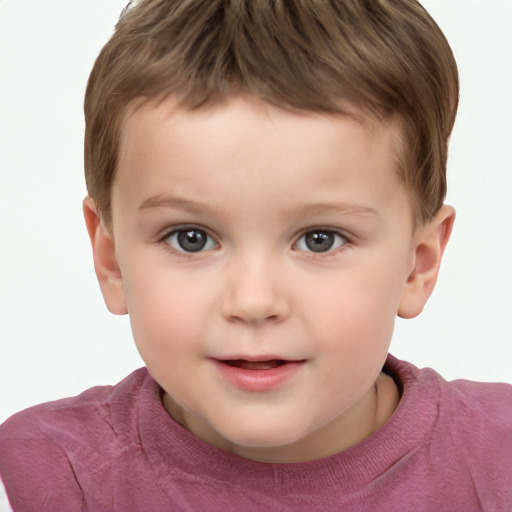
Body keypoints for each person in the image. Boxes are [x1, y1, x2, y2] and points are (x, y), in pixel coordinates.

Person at [0, 0, 510, 510]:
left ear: (418, 264)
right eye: (191, 237)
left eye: (320, 239)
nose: (253, 300)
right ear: (110, 259)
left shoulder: (499, 459)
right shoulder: (50, 477)